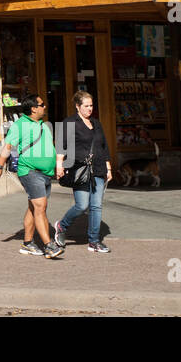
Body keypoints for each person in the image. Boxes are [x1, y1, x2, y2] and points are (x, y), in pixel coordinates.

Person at [0, 96, 64, 258]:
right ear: (33, 108)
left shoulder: (43, 125)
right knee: (40, 206)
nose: (45, 107)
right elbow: (8, 146)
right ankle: (49, 246)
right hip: (30, 171)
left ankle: (28, 243)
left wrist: (56, 164)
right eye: (42, 105)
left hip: (45, 173)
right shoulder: (20, 125)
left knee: (34, 208)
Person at [54, 90, 114, 253]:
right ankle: (62, 225)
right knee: (82, 205)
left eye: (91, 105)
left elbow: (103, 146)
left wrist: (108, 166)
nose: (90, 109)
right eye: (86, 106)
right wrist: (59, 165)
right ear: (77, 106)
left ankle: (94, 241)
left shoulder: (96, 123)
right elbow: (61, 145)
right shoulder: (69, 122)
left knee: (96, 206)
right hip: (80, 169)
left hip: (99, 168)